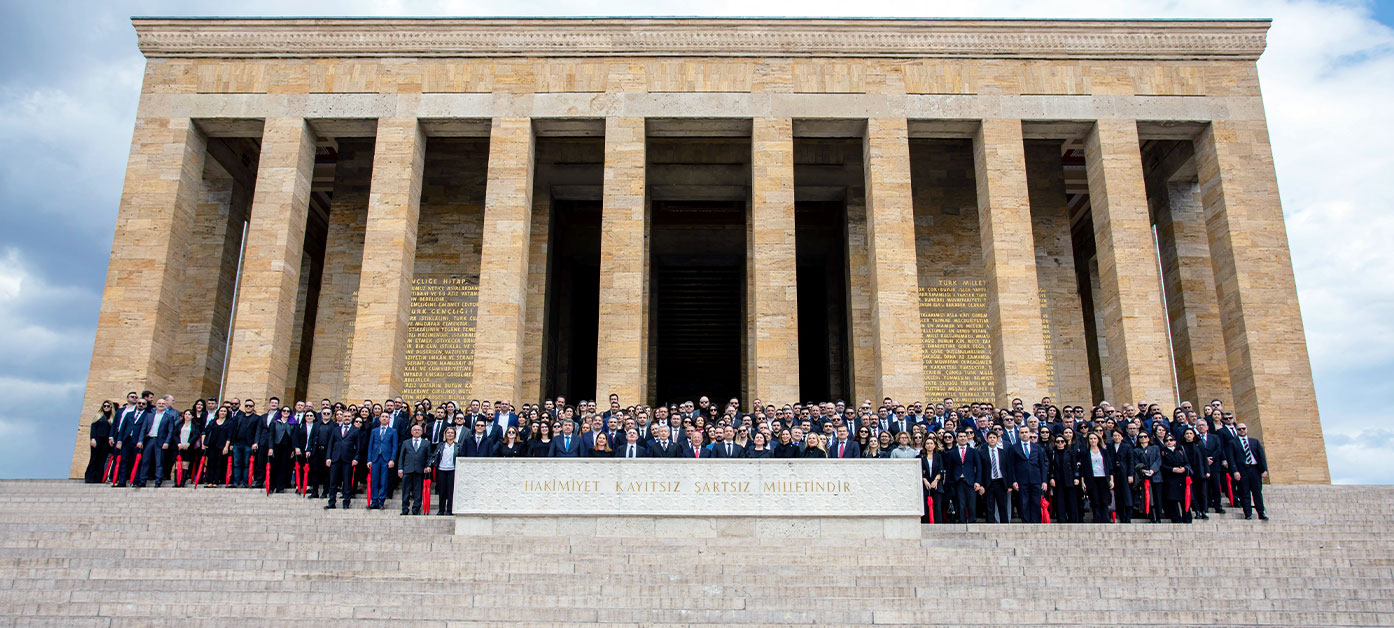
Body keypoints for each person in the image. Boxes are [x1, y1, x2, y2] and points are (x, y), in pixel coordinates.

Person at [135, 395, 177, 488]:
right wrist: (140, 441)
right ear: (156, 405)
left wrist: (167, 442)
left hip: (160, 441)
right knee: (145, 461)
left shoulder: (169, 417)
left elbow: (170, 431)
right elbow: (143, 429)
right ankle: (142, 480)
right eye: (159, 403)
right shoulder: (149, 415)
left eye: (163, 403)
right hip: (149, 439)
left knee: (159, 462)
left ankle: (158, 480)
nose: (161, 405)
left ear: (165, 405)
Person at [1230, 422, 1269, 520]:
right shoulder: (1232, 443)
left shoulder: (1254, 441)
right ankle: (1248, 513)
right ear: (1236, 431)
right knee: (1244, 492)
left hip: (1254, 469)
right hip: (1242, 470)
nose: (1242, 430)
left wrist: (1263, 469)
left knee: (1257, 492)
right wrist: (1235, 471)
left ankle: (1261, 512)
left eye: (1243, 428)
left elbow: (1261, 456)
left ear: (1247, 429)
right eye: (1239, 429)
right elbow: (1231, 458)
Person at [325, 411, 361, 510]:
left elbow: (358, 447)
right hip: (335, 459)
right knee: (333, 482)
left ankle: (346, 502)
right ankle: (331, 502)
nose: (346, 418)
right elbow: (330, 444)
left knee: (347, 482)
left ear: (351, 418)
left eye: (348, 416)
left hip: (348, 460)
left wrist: (356, 458)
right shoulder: (336, 429)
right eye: (345, 416)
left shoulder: (356, 430)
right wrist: (328, 457)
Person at [946, 430, 982, 523]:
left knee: (972, 504)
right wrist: (949, 483)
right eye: (960, 436)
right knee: (960, 504)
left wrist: (978, 481)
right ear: (956, 439)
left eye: (964, 436)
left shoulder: (973, 451)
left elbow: (979, 467)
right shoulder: (952, 452)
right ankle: (962, 522)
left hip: (971, 481)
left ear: (967, 438)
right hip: (958, 481)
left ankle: (972, 522)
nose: (963, 438)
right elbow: (949, 469)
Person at [396, 423, 432, 516]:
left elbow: (429, 457)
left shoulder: (426, 443)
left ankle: (416, 508)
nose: (417, 431)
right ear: (411, 432)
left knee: (418, 491)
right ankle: (405, 508)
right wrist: (400, 468)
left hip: (420, 470)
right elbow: (401, 457)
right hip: (407, 469)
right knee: (406, 491)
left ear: (421, 432)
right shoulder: (406, 442)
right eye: (415, 430)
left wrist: (427, 466)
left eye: (418, 430)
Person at [366, 412, 398, 509]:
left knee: (384, 480)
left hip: (386, 458)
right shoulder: (374, 431)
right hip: (375, 458)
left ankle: (381, 501)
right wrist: (369, 460)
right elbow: (370, 446)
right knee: (374, 480)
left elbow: (394, 446)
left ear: (389, 419)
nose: (384, 418)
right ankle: (374, 500)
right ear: (379, 419)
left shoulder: (393, 431)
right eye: (383, 417)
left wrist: (392, 459)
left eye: (386, 417)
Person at [978, 431, 1011, 523]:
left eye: (994, 438)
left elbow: (1008, 469)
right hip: (989, 482)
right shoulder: (982, 453)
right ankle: (991, 525)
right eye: (990, 438)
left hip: (1001, 482)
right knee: (989, 506)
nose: (992, 439)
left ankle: (1004, 525)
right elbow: (980, 469)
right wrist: (981, 484)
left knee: (1003, 505)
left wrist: (1009, 484)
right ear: (987, 439)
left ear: (997, 439)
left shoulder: (1003, 452)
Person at [1048, 433, 1081, 523]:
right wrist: (1051, 478)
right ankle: (1061, 519)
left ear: (1065, 443)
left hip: (1069, 479)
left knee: (1071, 500)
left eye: (1062, 441)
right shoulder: (1053, 454)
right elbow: (1051, 467)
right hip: (1058, 480)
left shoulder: (1070, 453)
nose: (1060, 443)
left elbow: (1075, 466)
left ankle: (1073, 519)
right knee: (1059, 500)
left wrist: (1076, 477)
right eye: (1057, 441)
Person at [1160, 434, 1191, 523]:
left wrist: (1184, 468)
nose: (1169, 442)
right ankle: (1176, 518)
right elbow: (1162, 465)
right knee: (1172, 499)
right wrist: (1172, 469)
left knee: (1184, 498)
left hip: (1181, 476)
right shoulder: (1162, 452)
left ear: (1175, 441)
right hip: (1170, 477)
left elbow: (1187, 462)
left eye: (1171, 440)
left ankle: (1187, 518)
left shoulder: (1180, 451)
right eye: (1166, 440)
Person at [170, 409, 203, 488]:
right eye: (186, 414)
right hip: (179, 447)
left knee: (185, 465)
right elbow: (175, 435)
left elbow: (196, 435)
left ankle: (182, 482)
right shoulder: (179, 425)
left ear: (192, 416)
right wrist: (178, 443)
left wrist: (189, 443)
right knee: (178, 465)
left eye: (189, 414)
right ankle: (176, 482)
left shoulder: (195, 426)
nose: (187, 416)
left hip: (189, 448)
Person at [202, 407, 232, 488]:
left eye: (224, 411)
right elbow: (205, 431)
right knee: (211, 463)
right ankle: (210, 481)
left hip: (221, 446)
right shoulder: (212, 422)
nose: (222, 412)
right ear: (218, 412)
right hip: (212, 446)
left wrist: (226, 447)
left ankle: (216, 481)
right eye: (221, 411)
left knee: (219, 463)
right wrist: (203, 443)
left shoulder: (229, 423)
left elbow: (229, 436)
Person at [1108, 429, 1134, 523]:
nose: (1116, 437)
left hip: (1125, 472)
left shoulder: (1126, 446)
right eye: (1114, 435)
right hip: (1114, 473)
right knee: (1117, 495)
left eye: (1118, 435)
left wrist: (1131, 474)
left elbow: (1131, 461)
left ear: (1122, 437)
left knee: (1127, 495)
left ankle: (1128, 516)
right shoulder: (1109, 446)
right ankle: (1122, 516)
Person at [85, 401, 114, 483]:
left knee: (102, 459)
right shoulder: (98, 416)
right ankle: (89, 477)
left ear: (111, 407)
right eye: (104, 406)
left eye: (108, 406)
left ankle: (99, 478)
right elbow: (93, 428)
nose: (106, 407)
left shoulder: (112, 418)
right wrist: (92, 438)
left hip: (106, 441)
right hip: (97, 440)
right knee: (94, 458)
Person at [432, 427, 459, 515]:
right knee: (442, 491)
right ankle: (441, 510)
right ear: (445, 434)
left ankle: (449, 510)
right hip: (442, 470)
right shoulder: (441, 445)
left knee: (451, 491)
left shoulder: (458, 446)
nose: (450, 434)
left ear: (454, 435)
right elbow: (435, 456)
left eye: (452, 433)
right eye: (448, 433)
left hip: (452, 470)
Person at [920, 438, 945, 524]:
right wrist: (925, 480)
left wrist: (936, 480)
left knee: (937, 507)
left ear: (934, 445)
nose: (929, 445)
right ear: (925, 446)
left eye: (931, 443)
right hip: (925, 485)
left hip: (936, 484)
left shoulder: (938, 457)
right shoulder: (921, 457)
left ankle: (938, 525)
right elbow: (919, 470)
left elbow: (941, 470)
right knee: (926, 507)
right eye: (927, 443)